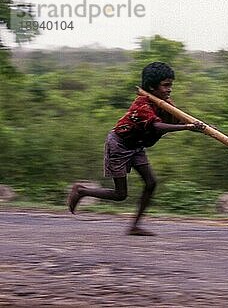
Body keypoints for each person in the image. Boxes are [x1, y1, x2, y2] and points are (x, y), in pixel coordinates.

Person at [67, 61, 204, 236]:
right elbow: (157, 127)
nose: (169, 89)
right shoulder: (142, 105)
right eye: (165, 85)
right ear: (151, 87)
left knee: (151, 183)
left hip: (137, 146)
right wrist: (187, 128)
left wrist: (201, 127)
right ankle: (81, 191)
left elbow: (178, 119)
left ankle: (135, 226)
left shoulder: (166, 103)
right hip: (119, 145)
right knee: (120, 194)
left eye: (171, 85)